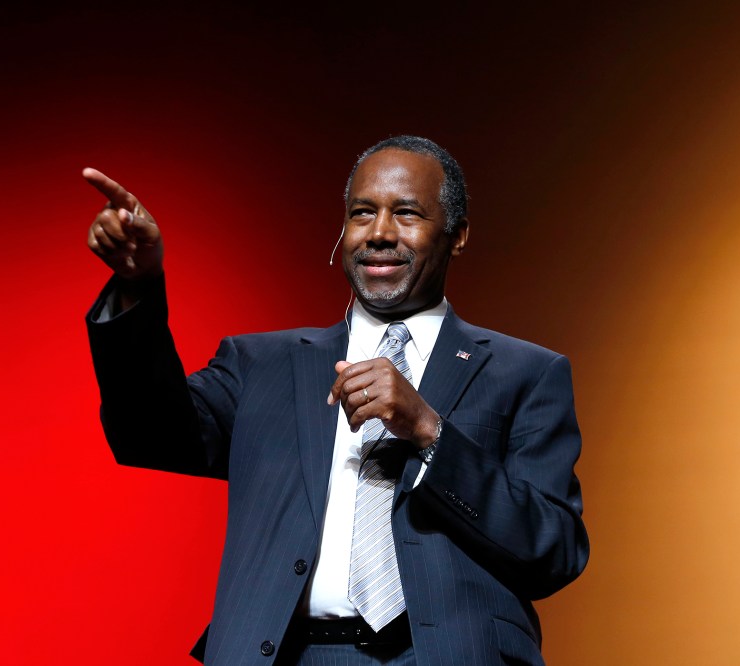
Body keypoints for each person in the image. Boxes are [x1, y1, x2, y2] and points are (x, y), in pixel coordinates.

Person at [84, 136, 588, 665]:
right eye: (362, 213)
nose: (380, 233)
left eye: (408, 213)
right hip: (290, 655)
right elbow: (148, 432)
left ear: (457, 235)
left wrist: (430, 433)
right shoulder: (261, 365)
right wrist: (137, 285)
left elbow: (555, 552)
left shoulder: (527, 373)